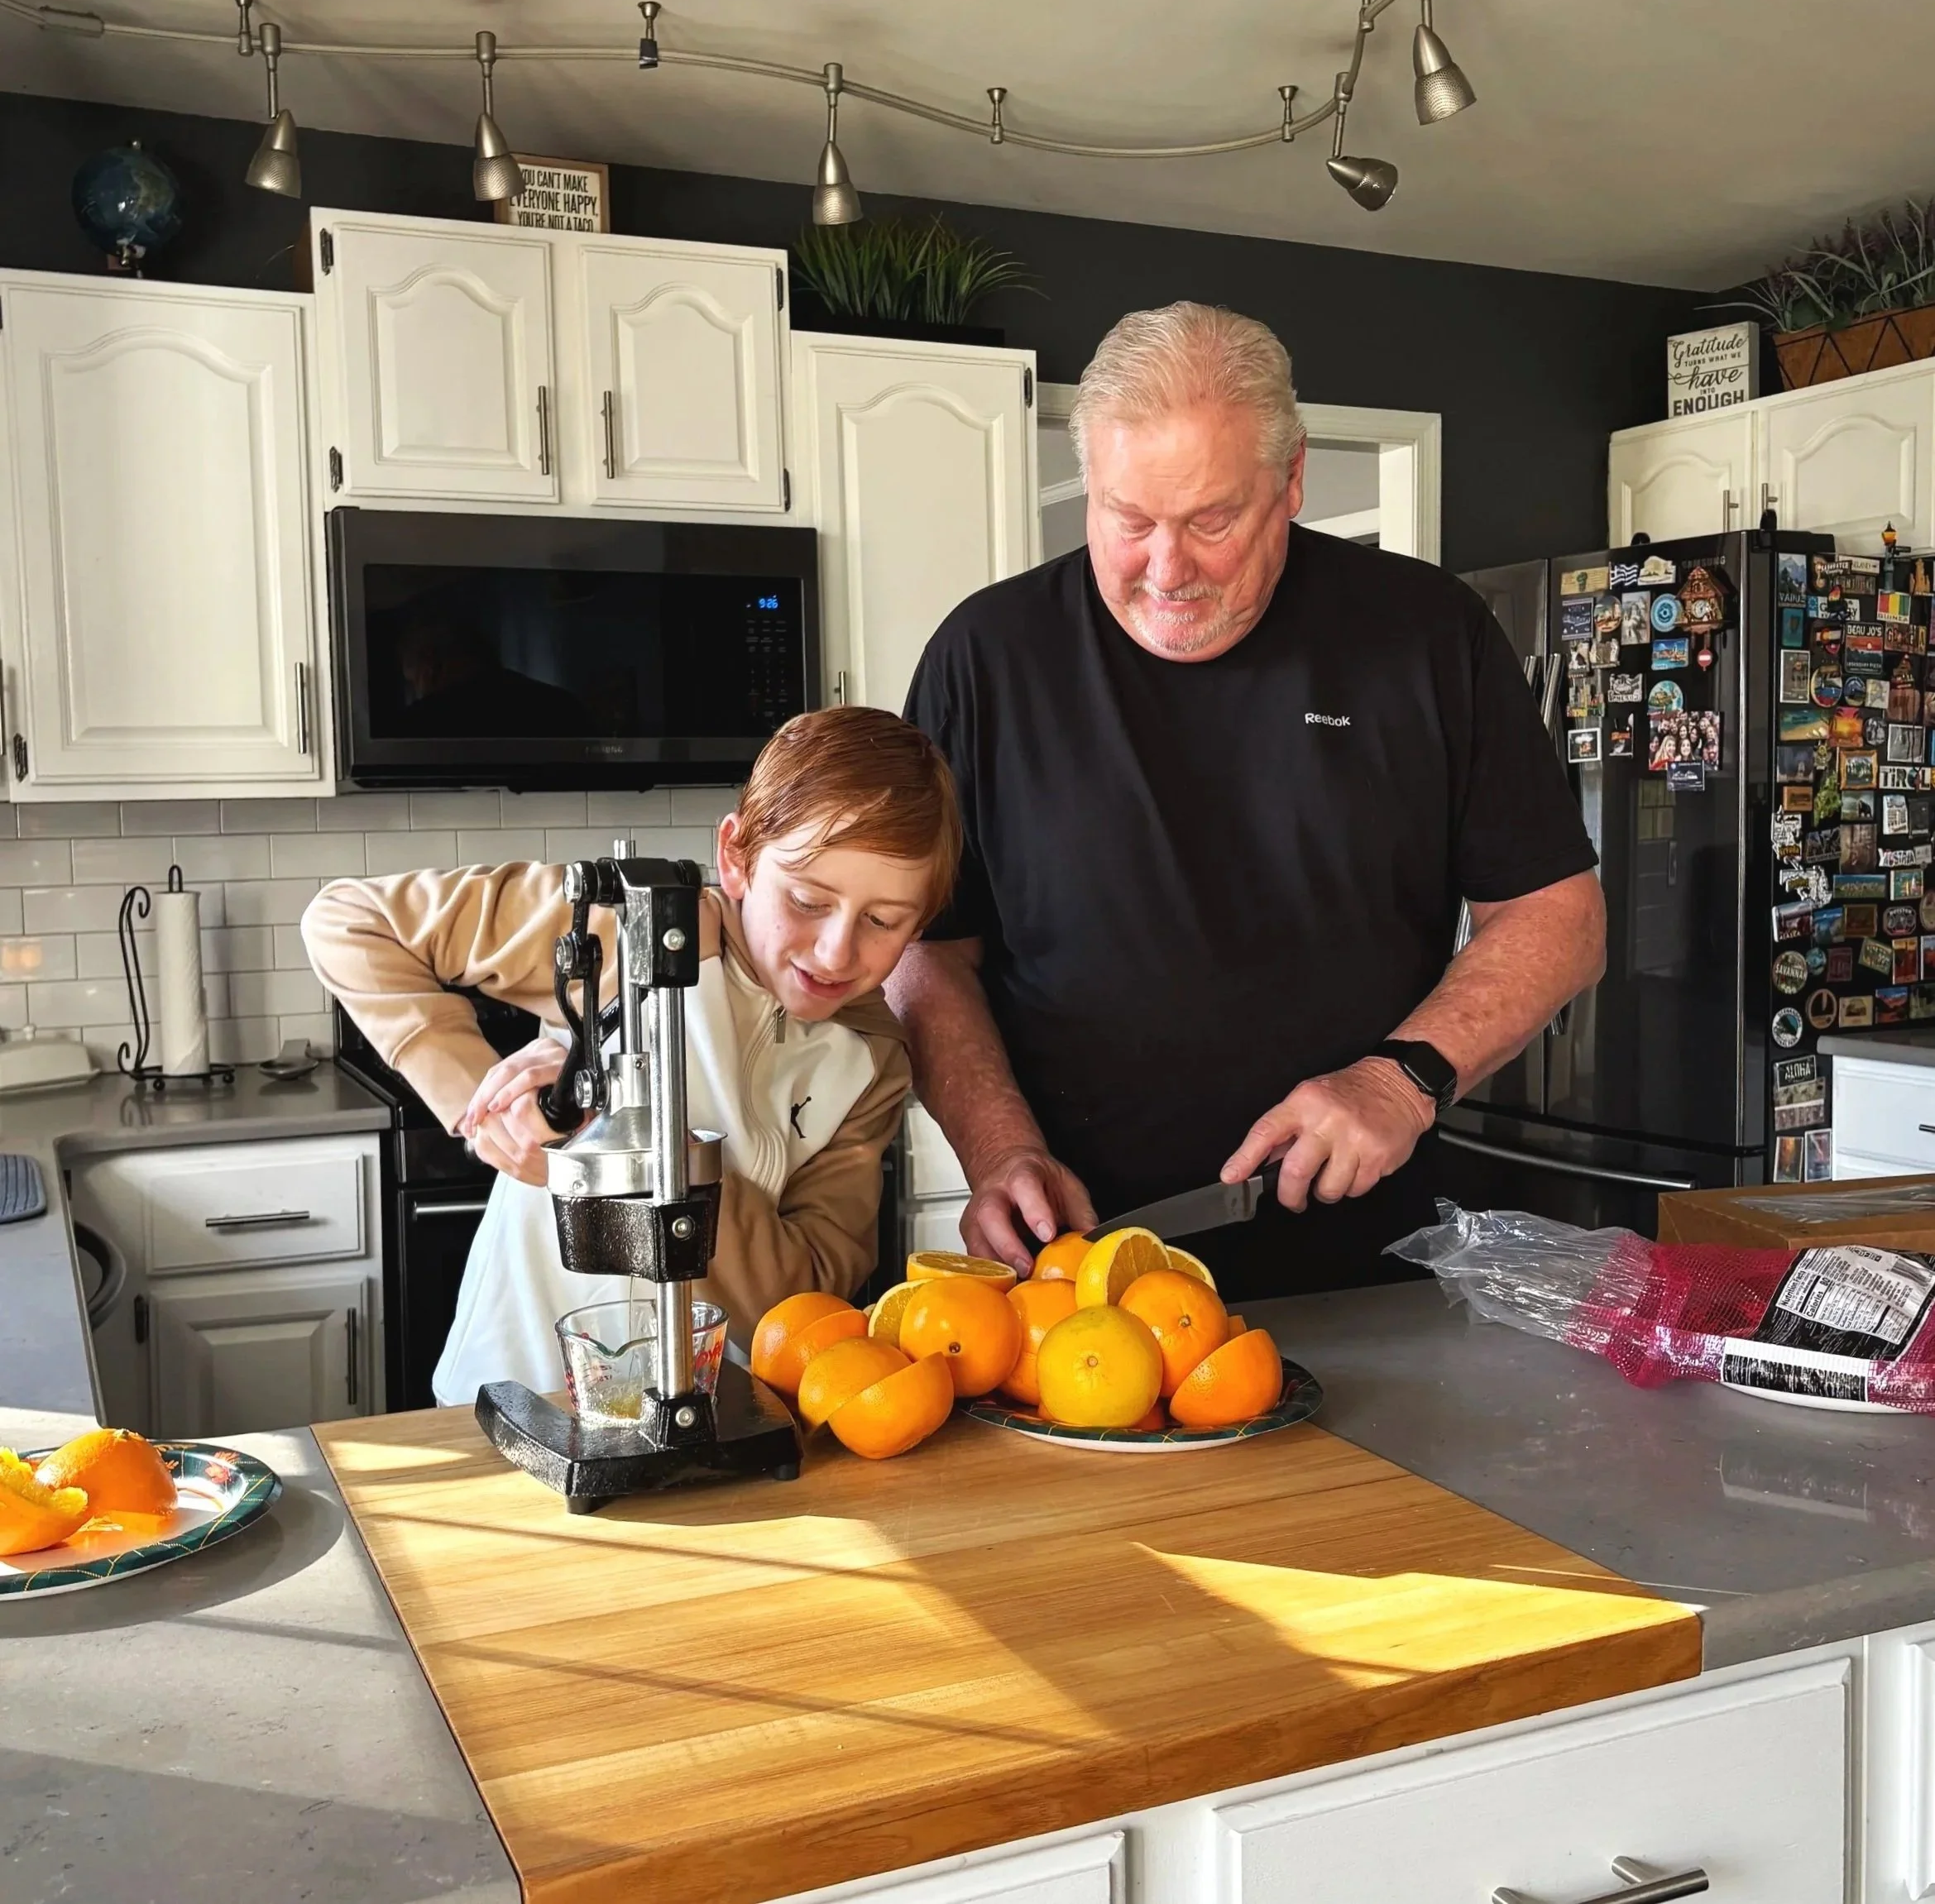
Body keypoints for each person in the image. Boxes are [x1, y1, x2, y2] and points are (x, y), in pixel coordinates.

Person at [890, 301, 1604, 1301]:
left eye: (1210, 521)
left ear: (1291, 480)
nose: (1165, 569)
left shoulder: (1428, 635)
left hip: (1366, 1267)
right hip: (1072, 1278)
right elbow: (929, 954)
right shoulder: (986, 657)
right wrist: (999, 1149)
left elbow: (1556, 916)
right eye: (1127, 520)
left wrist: (1400, 1078)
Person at [302, 706, 960, 1404]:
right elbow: (348, 920)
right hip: (515, 1394)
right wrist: (485, 1103)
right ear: (735, 857)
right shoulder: (629, 928)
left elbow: (804, 1294)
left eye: (883, 921)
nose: (835, 951)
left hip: (712, 1410)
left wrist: (655, 1157)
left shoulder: (873, 1059)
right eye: (805, 900)